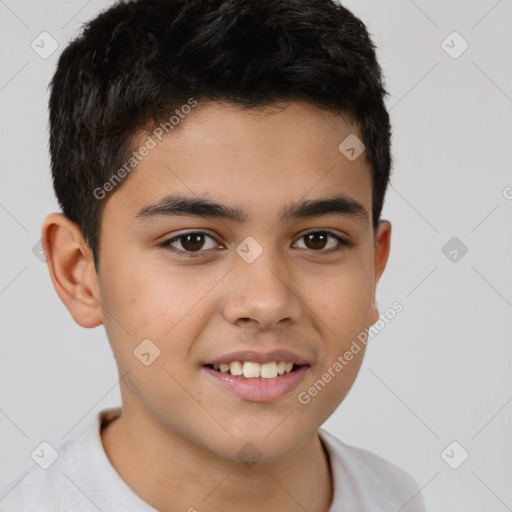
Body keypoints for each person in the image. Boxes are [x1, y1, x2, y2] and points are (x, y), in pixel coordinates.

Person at [0, 0, 425, 510]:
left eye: (318, 239)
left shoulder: (394, 497)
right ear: (78, 272)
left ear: (374, 266)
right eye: (192, 241)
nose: (266, 302)